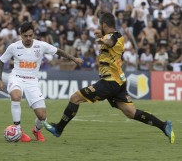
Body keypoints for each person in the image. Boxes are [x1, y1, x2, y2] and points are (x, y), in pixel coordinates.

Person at [43, 12, 175, 144]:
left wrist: (102, 39)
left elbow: (110, 41)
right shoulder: (115, 35)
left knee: (75, 98)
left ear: (104, 25)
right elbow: (109, 40)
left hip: (110, 82)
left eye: (100, 25)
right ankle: (164, 125)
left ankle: (58, 129)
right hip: (118, 82)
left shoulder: (114, 37)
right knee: (130, 112)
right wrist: (102, 36)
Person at [0, 22, 83, 142]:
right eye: (25, 36)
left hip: (32, 82)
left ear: (33, 34)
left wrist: (74, 59)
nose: (28, 38)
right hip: (17, 77)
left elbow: (58, 51)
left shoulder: (41, 45)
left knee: (42, 116)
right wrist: (0, 80)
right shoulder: (13, 47)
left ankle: (36, 131)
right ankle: (18, 130)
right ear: (21, 35)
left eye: (30, 35)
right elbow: (1, 61)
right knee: (16, 96)